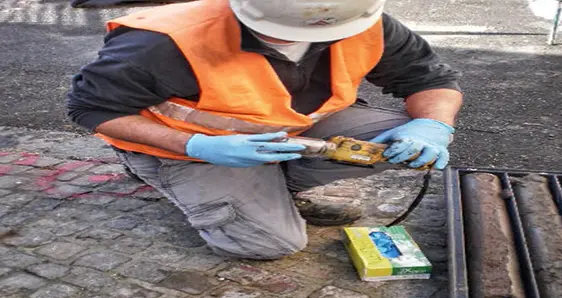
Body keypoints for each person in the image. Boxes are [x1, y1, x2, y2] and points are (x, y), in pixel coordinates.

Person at [66, 0, 463, 260]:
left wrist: (433, 126)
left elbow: (429, 80)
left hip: (294, 127)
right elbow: (92, 109)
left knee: (401, 138)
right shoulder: (164, 42)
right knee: (271, 244)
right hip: (191, 148)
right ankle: (151, 171)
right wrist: (198, 145)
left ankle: (274, 185)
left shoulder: (356, 18)